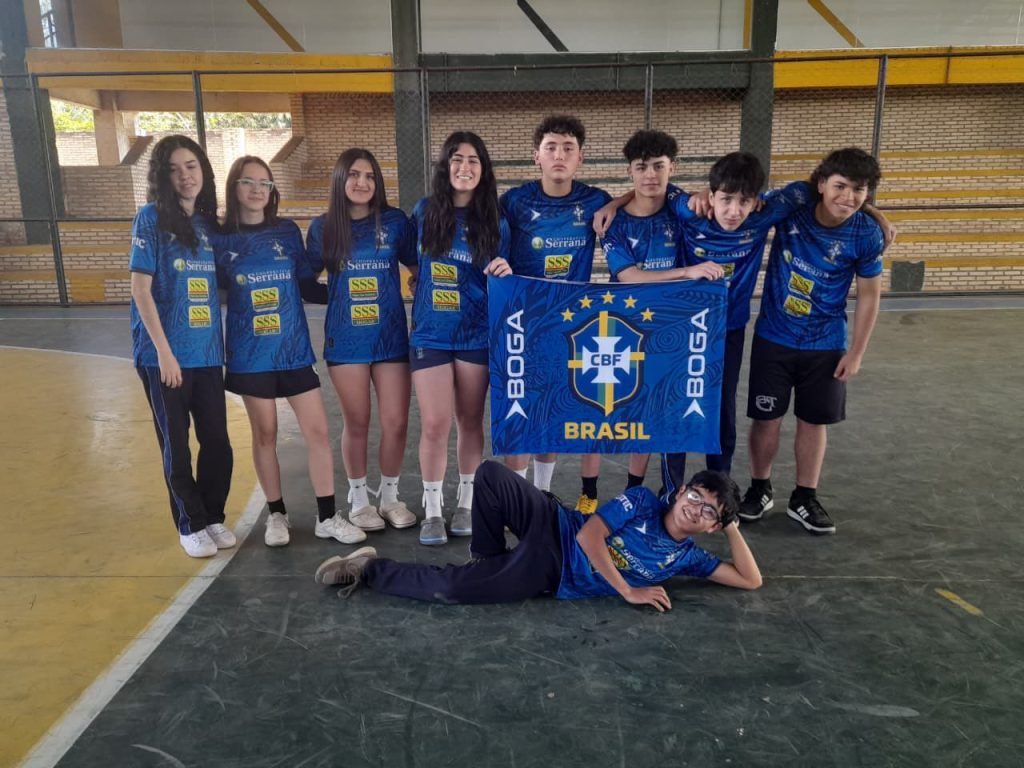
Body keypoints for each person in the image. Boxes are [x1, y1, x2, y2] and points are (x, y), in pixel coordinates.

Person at [313, 461, 762, 608]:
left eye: (708, 511)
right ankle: (488, 561)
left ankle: (369, 569)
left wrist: (733, 527)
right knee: (490, 475)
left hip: (551, 570)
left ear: (712, 526)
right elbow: (589, 537)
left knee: (451, 590)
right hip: (556, 525)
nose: (695, 508)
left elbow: (750, 580)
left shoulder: (687, 558)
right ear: (681, 491)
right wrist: (628, 590)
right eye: (695, 495)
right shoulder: (644, 501)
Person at [217, 155, 365, 548]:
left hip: (294, 350)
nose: (257, 190)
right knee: (265, 432)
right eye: (248, 182)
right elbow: (212, 291)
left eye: (264, 183)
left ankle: (327, 516)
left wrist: (346, 288)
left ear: (272, 190)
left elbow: (306, 285)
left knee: (318, 430)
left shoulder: (285, 231)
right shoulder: (220, 239)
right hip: (251, 355)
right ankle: (276, 514)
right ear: (234, 187)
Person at [738, 147, 886, 535]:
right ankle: (759, 488)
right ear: (821, 184)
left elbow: (869, 296)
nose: (848, 197)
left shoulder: (867, 234)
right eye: (840, 186)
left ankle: (804, 497)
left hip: (826, 342)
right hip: (774, 336)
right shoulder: (794, 207)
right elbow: (746, 204)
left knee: (814, 421)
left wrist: (856, 352)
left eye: (859, 190)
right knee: (765, 418)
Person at [600, 129, 726, 491]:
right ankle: (630, 491)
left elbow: (714, 203)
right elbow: (628, 276)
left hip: (674, 328)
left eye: (659, 166)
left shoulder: (679, 207)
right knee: (632, 411)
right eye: (641, 167)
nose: (650, 175)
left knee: (668, 409)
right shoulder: (612, 224)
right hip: (628, 328)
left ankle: (660, 489)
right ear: (629, 171)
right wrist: (686, 272)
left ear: (673, 167)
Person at [129, 134, 235, 558]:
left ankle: (212, 515)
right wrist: (164, 353)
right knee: (176, 444)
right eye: (174, 169)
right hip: (165, 357)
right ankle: (190, 523)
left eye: (191, 166)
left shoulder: (209, 225)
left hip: (207, 353)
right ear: (163, 177)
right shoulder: (150, 219)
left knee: (217, 443)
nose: (185, 176)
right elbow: (140, 290)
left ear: (203, 170)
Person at [500, 115, 613, 512]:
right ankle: (516, 502)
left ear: (580, 157)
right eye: (551, 147)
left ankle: (542, 496)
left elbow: (640, 201)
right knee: (520, 414)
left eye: (568, 148)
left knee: (550, 414)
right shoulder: (514, 202)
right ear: (537, 156)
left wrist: (618, 202)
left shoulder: (595, 200)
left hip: (570, 328)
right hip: (522, 325)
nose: (559, 155)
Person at [306, 149, 418, 535]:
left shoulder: (395, 222)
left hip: (390, 338)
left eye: (370, 176)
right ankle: (358, 501)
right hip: (347, 340)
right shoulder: (323, 227)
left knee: (396, 421)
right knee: (357, 421)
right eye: (354, 174)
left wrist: (418, 284)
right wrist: (339, 297)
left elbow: (418, 268)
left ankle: (390, 498)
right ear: (341, 179)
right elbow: (305, 280)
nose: (362, 182)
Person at [408, 131, 512, 546]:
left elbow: (505, 275)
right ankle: (433, 509)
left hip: (475, 334)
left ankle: (467, 503)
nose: (464, 167)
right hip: (431, 332)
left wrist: (504, 270)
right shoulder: (424, 211)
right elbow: (410, 260)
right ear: (445, 166)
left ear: (483, 169)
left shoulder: (496, 221)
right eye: (456, 159)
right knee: (434, 422)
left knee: (469, 420)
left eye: (473, 160)